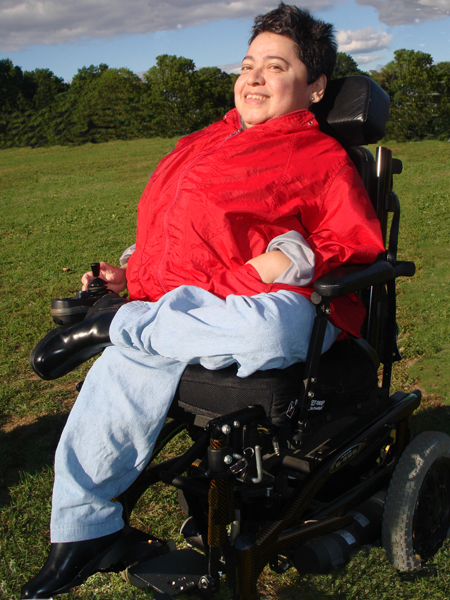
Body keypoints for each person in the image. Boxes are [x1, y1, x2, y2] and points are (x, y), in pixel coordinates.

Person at [21, 4, 385, 598]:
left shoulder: (319, 157)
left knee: (260, 332)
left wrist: (295, 257)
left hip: (281, 307)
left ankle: (118, 327)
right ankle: (84, 531)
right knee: (124, 365)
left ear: (315, 87)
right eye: (248, 65)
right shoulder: (201, 146)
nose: (255, 77)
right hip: (188, 311)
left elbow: (353, 240)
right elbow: (178, 238)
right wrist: (130, 273)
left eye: (276, 66)